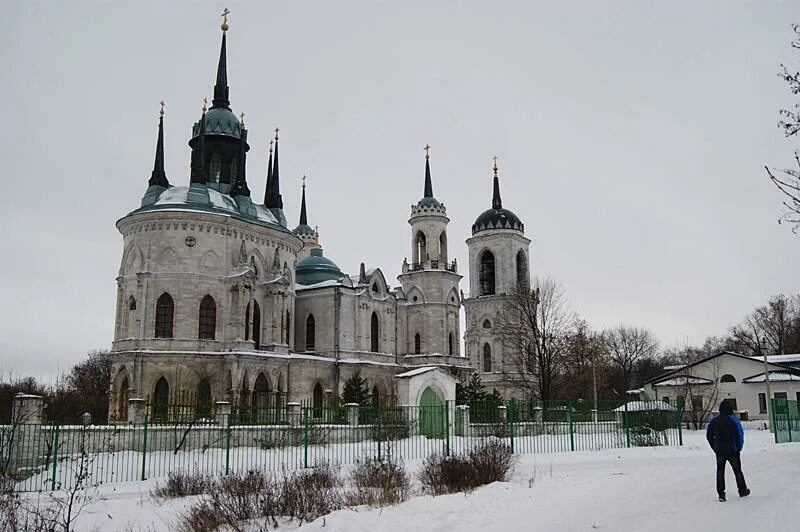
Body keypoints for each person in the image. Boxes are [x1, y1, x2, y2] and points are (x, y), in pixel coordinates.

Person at [706, 399, 750, 502]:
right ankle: (742, 490)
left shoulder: (714, 421)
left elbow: (709, 436)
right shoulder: (733, 420)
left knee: (720, 471)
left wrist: (715, 447)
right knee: (737, 470)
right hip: (732, 450)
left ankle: (721, 494)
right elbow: (739, 435)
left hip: (720, 450)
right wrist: (739, 448)